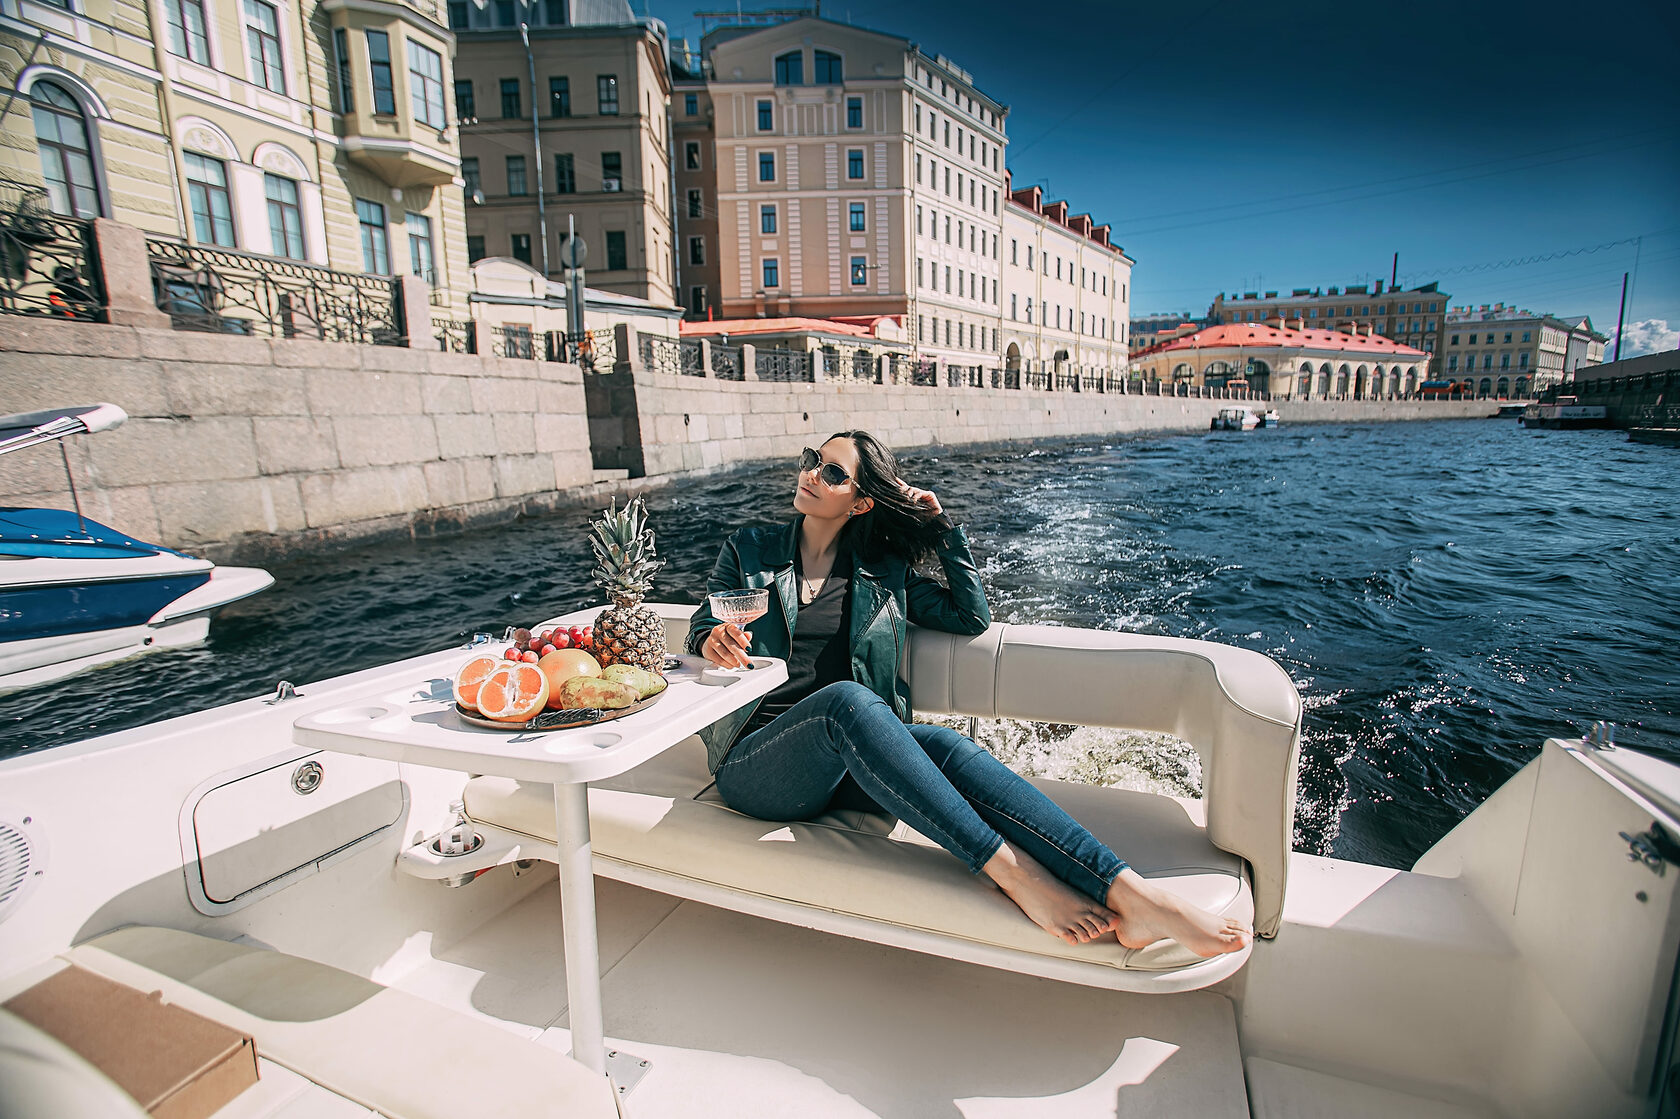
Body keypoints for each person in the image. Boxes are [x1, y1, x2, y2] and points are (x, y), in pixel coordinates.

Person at [687, 431, 1251, 956]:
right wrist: (711, 638)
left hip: (849, 764)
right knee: (848, 703)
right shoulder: (751, 548)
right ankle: (1014, 874)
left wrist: (942, 526)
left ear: (860, 503)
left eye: (832, 473)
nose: (811, 475)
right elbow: (699, 625)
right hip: (756, 758)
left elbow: (968, 615)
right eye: (812, 460)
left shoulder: (883, 571)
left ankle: (1134, 894)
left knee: (946, 747)